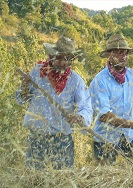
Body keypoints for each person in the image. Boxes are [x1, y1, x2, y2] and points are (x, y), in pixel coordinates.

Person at [16, 35, 92, 170]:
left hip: (62, 141)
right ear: (51, 56)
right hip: (37, 139)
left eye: (67, 58)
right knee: (35, 183)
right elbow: (22, 99)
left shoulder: (76, 81)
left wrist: (79, 116)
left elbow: (86, 107)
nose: (62, 62)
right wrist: (25, 86)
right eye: (59, 57)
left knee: (63, 184)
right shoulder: (38, 73)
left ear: (71, 60)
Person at [89, 33, 133, 169]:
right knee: (105, 178)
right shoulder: (100, 81)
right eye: (119, 53)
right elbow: (105, 117)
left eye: (126, 53)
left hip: (129, 135)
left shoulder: (131, 75)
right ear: (110, 54)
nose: (123, 57)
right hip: (105, 138)